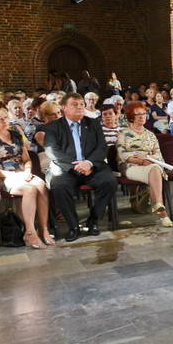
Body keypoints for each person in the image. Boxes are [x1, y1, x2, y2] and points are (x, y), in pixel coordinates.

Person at [43, 92, 117, 242]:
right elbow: (51, 150)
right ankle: (73, 226)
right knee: (59, 186)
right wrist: (76, 165)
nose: (80, 107)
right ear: (64, 107)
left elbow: (102, 146)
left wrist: (88, 163)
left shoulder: (93, 123)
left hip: (91, 166)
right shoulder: (53, 126)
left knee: (109, 182)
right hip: (66, 168)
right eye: (74, 104)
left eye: (81, 104)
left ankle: (93, 220)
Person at [0, 105, 53, 249]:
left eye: (5, 117)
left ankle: (43, 229)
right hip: (2, 177)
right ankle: (29, 232)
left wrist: (27, 170)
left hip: (21, 173)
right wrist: (10, 174)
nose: (4, 121)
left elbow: (27, 159)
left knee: (41, 184)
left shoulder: (15, 135)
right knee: (29, 189)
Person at [116, 101, 172, 227]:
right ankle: (163, 214)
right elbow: (122, 154)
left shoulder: (150, 134)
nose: (142, 116)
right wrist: (139, 160)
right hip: (131, 166)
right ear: (131, 117)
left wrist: (147, 157)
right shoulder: (123, 133)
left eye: (144, 114)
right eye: (138, 114)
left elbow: (158, 155)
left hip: (150, 164)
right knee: (154, 169)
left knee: (155, 168)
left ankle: (159, 205)